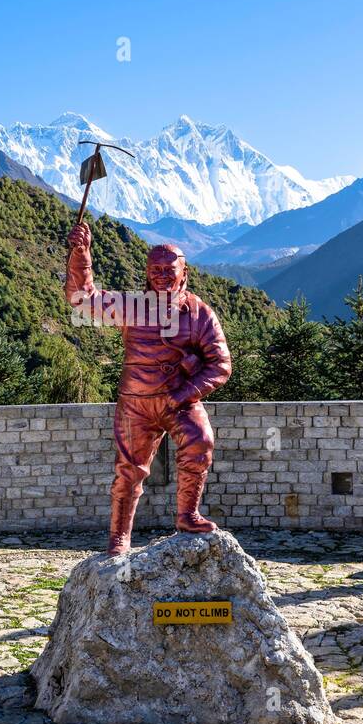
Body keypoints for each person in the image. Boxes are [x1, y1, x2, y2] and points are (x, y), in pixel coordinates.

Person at [65, 221, 232, 555]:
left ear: (184, 272)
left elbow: (220, 365)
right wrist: (80, 254)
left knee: (201, 443)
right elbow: (82, 299)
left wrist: (183, 395)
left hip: (179, 401)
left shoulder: (200, 314)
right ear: (146, 273)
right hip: (136, 404)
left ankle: (187, 515)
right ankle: (119, 537)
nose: (161, 275)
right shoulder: (132, 306)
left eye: (169, 269)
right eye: (155, 269)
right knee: (129, 470)